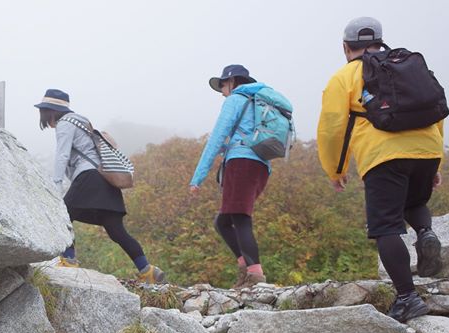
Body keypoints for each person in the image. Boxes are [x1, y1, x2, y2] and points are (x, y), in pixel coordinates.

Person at [317, 16, 444, 323]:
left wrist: (336, 170)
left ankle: (407, 298)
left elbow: (333, 128)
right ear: (380, 41)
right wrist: (436, 159)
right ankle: (425, 232)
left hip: (383, 155)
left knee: (386, 226)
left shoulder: (345, 76)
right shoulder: (408, 66)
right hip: (427, 148)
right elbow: (437, 109)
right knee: (414, 203)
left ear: (346, 48)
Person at [34, 89, 166, 284]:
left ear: (51, 111)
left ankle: (69, 260)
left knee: (62, 214)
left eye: (44, 112)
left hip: (89, 177)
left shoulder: (64, 124)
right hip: (105, 178)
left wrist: (56, 185)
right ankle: (148, 271)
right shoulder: (81, 121)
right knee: (116, 230)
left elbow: (62, 156)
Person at [189, 64, 273, 289]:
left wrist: (198, 177)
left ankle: (255, 277)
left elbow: (216, 138)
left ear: (233, 81)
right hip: (260, 166)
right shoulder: (260, 102)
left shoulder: (236, 100)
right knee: (223, 221)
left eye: (223, 84)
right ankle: (246, 267)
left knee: (239, 219)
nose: (222, 91)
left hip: (241, 164)